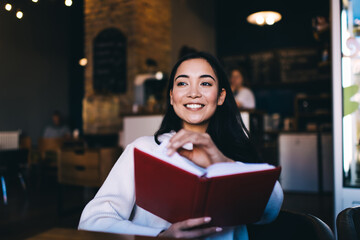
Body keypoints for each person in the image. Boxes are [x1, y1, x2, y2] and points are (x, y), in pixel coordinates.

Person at [78, 52, 283, 239]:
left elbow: (270, 211)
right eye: (183, 83)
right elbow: (92, 222)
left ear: (221, 97)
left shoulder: (236, 154)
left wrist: (224, 164)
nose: (193, 93)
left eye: (205, 84)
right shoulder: (143, 150)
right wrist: (159, 236)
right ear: (171, 96)